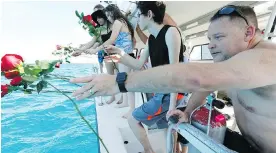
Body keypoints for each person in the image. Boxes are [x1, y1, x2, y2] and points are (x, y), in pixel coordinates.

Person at [70, 5, 276, 153]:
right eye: (210, 39)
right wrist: (187, 111)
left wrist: (119, 83)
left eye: (219, 37)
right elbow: (206, 85)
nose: (211, 45)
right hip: (248, 144)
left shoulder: (268, 57)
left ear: (249, 32)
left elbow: (197, 77)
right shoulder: (233, 59)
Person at [73, 2, 186, 153]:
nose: (137, 19)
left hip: (172, 94)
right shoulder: (151, 40)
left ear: (150, 15)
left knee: (133, 119)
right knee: (166, 128)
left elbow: (175, 71)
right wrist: (119, 53)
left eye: (139, 15)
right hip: (162, 93)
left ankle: (149, 151)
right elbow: (138, 64)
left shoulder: (171, 32)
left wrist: (172, 107)